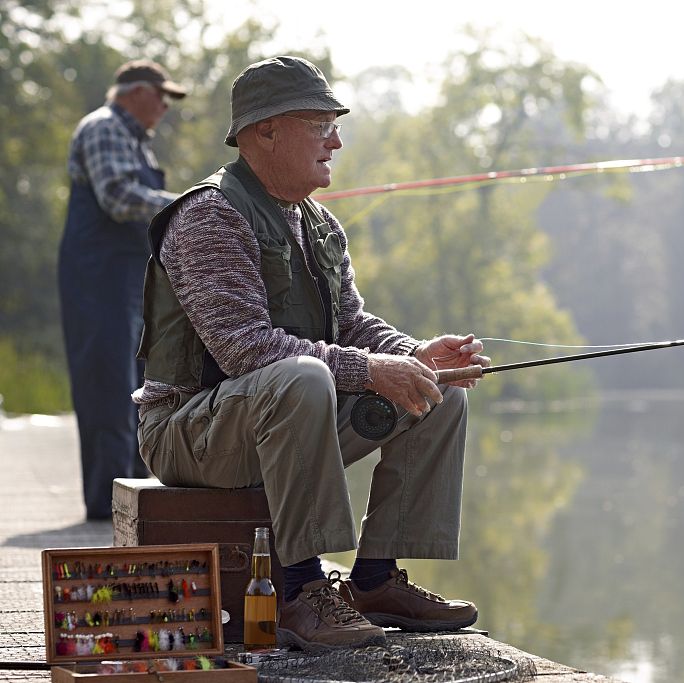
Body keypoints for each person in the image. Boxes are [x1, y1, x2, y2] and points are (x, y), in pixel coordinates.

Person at [133, 56, 490, 651]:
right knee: (299, 378)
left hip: (279, 418)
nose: (337, 140)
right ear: (264, 131)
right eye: (320, 123)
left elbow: (350, 324)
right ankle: (298, 589)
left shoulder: (318, 222)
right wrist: (373, 370)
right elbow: (246, 349)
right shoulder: (208, 216)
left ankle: (375, 579)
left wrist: (414, 355)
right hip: (188, 433)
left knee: (437, 389)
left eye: (336, 124)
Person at [59, 59, 187, 520]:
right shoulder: (104, 127)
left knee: (140, 391)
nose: (166, 106)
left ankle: (135, 504)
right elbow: (117, 197)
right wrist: (189, 205)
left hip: (130, 283)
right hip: (98, 282)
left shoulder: (137, 143)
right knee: (108, 388)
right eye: (162, 95)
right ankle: (106, 507)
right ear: (135, 92)